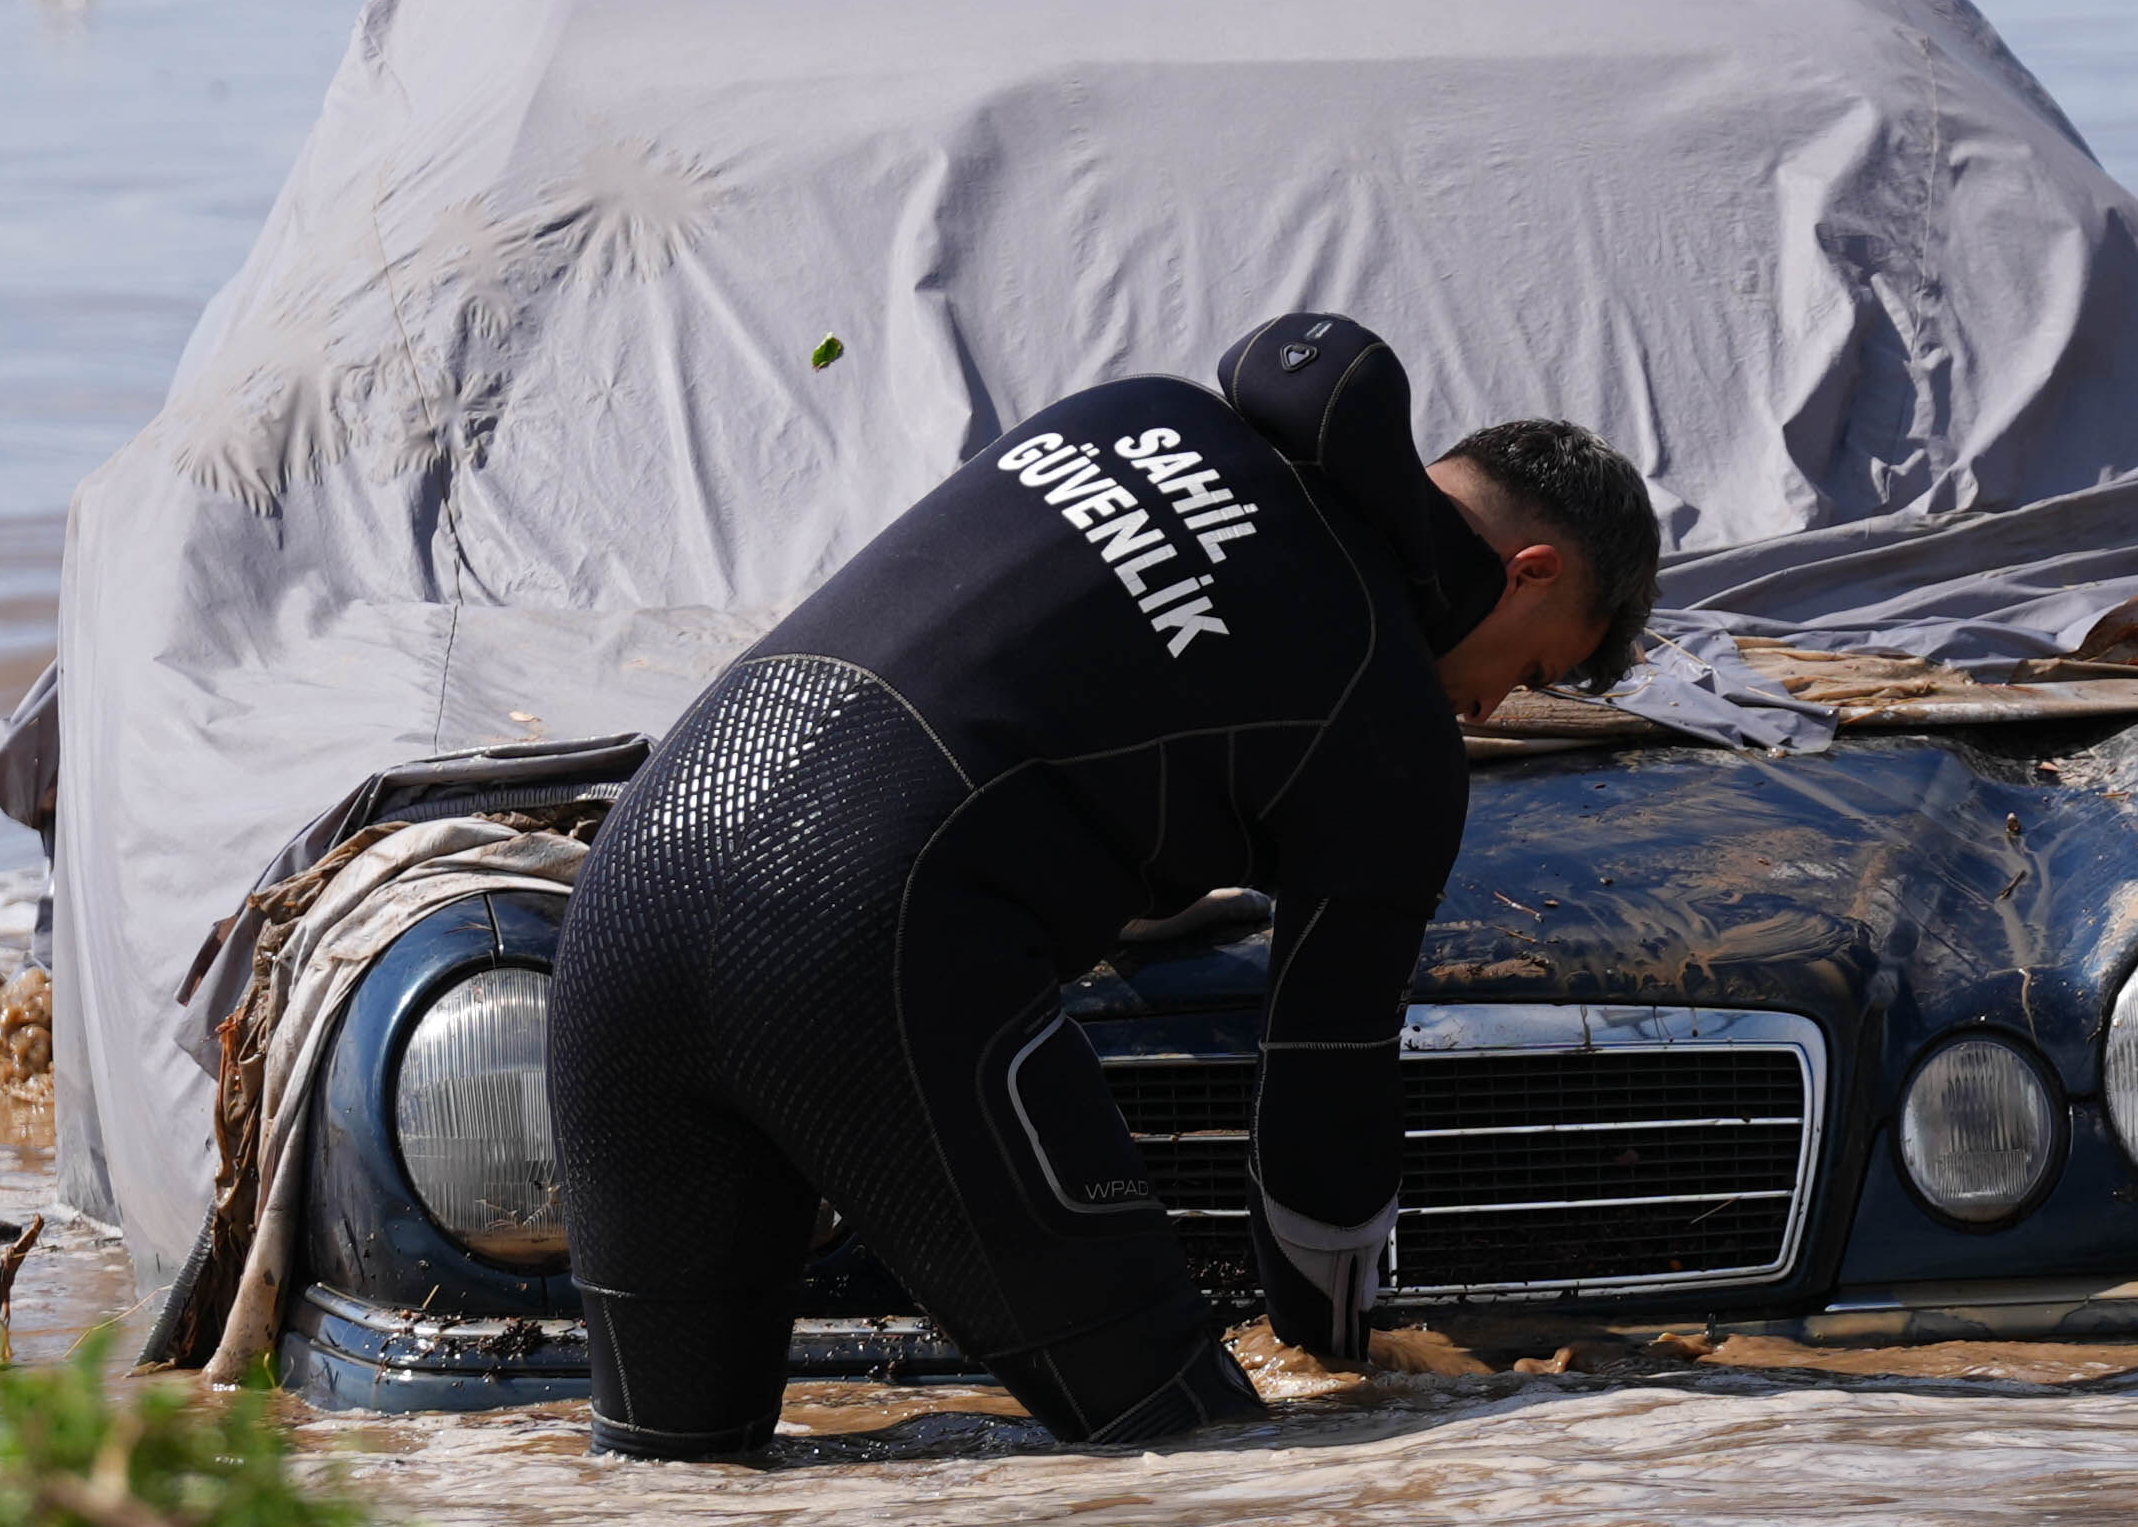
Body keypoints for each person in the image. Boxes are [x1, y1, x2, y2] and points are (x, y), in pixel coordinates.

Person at [544, 312, 1655, 1461]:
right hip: (860, 942)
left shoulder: (1137, 412)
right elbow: (1323, 1122)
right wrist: (1346, 1366)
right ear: (1532, 573)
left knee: (676, 1499)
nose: (1491, 709)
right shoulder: (1394, 731)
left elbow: (1035, 683)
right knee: (1199, 1472)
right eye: (1531, 671)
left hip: (631, 891)